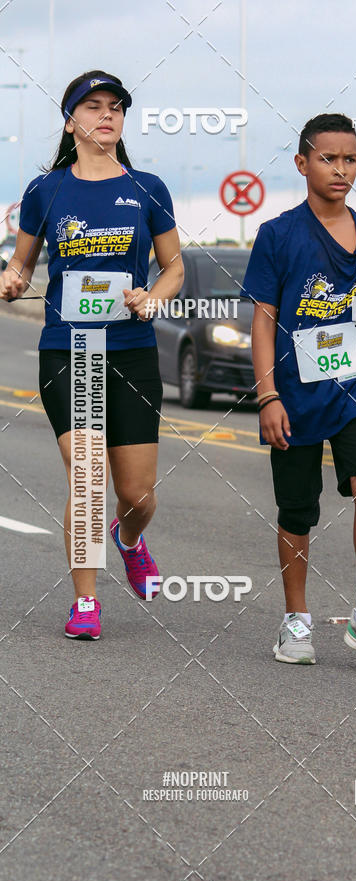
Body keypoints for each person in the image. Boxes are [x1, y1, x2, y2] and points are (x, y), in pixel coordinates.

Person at [0, 70, 184, 640]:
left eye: (116, 107)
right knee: (86, 477)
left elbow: (173, 267)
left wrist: (152, 297)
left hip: (129, 350)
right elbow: (23, 265)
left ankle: (128, 539)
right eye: (94, 106)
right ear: (71, 121)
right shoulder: (47, 190)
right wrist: (10, 278)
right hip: (69, 349)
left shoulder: (147, 186)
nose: (107, 114)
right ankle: (85, 601)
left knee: (136, 494)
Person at [242, 112, 356, 670]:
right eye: (328, 158)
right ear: (302, 163)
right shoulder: (277, 235)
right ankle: (296, 620)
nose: (341, 169)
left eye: (350, 159)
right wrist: (268, 396)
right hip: (294, 394)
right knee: (297, 510)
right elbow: (264, 322)